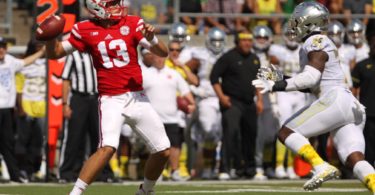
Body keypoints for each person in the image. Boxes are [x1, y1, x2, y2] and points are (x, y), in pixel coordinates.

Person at [42, 1, 170, 194]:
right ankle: (75, 193)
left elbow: (163, 52)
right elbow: (56, 53)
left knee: (163, 150)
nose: (117, 6)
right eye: (111, 3)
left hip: (137, 97)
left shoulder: (133, 23)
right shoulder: (84, 29)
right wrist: (51, 37)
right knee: (107, 148)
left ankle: (145, 191)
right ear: (96, 7)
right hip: (111, 99)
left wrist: (151, 39)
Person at [252, 2, 375, 192]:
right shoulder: (315, 43)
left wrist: (277, 85)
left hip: (334, 99)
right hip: (348, 105)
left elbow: (311, 78)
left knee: (286, 132)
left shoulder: (315, 41)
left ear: (310, 22)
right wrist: (281, 78)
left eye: (298, 19)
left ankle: (320, 165)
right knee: (354, 159)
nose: (294, 24)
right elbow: (309, 86)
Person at [210, 30, 263, 180]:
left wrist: (259, 100)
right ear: (237, 42)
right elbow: (214, 78)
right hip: (232, 101)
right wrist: (221, 97)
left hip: (249, 102)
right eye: (244, 40)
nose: (247, 43)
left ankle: (249, 170)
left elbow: (258, 81)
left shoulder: (255, 58)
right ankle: (224, 169)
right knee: (230, 134)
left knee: (251, 135)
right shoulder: (228, 57)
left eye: (249, 40)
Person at [59, 49, 114, 183]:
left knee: (101, 137)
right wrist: (65, 103)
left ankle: (104, 173)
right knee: (74, 136)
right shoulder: (73, 55)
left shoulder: (100, 52)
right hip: (79, 98)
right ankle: (67, 173)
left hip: (97, 98)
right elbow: (65, 79)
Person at [142, 53, 195, 181]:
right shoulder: (145, 73)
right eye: (157, 56)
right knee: (156, 147)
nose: (160, 59)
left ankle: (175, 171)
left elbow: (185, 91)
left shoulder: (174, 73)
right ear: (153, 58)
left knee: (175, 146)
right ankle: (157, 173)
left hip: (172, 117)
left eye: (162, 57)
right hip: (153, 117)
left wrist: (192, 103)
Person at [0, 36, 45, 183]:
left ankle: (15, 175)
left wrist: (42, 51)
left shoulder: (10, 61)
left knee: (8, 143)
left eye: (3, 47)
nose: (1, 50)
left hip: (6, 109)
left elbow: (26, 61)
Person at [186, 27, 226, 179]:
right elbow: (184, 70)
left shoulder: (227, 54)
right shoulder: (200, 54)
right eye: (214, 41)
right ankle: (208, 167)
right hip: (206, 98)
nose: (217, 44)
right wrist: (193, 88)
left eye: (219, 41)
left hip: (222, 97)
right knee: (209, 130)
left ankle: (213, 168)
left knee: (220, 134)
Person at [268, 23, 304, 180]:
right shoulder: (277, 50)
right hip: (284, 93)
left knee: (297, 131)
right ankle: (278, 165)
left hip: (301, 93)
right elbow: (270, 73)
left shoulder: (304, 49)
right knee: (284, 128)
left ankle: (290, 166)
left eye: (294, 34)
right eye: (289, 34)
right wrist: (273, 99)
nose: (292, 37)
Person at [352, 31, 375, 169]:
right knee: (369, 145)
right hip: (368, 113)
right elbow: (353, 90)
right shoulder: (361, 65)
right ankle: (369, 171)